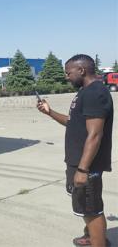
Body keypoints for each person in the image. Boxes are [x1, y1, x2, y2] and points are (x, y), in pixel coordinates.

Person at [37, 54, 113, 247]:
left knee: (91, 210)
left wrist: (83, 169)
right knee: (86, 208)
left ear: (81, 70)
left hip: (86, 165)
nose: (66, 76)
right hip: (77, 162)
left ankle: (98, 243)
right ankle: (91, 237)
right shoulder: (84, 91)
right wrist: (50, 112)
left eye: (68, 72)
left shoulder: (95, 92)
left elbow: (95, 135)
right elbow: (73, 123)